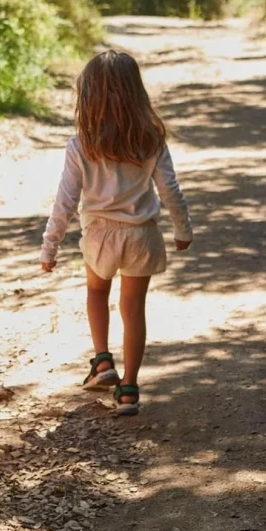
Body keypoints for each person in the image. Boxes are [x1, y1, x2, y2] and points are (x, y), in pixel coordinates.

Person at [40, 50, 192, 415]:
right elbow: (170, 188)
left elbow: (65, 200)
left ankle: (103, 361)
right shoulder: (151, 139)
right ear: (136, 93)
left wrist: (50, 247)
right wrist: (183, 228)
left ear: (88, 96)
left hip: (99, 235)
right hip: (142, 235)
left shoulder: (81, 145)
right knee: (134, 308)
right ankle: (129, 389)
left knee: (96, 290)